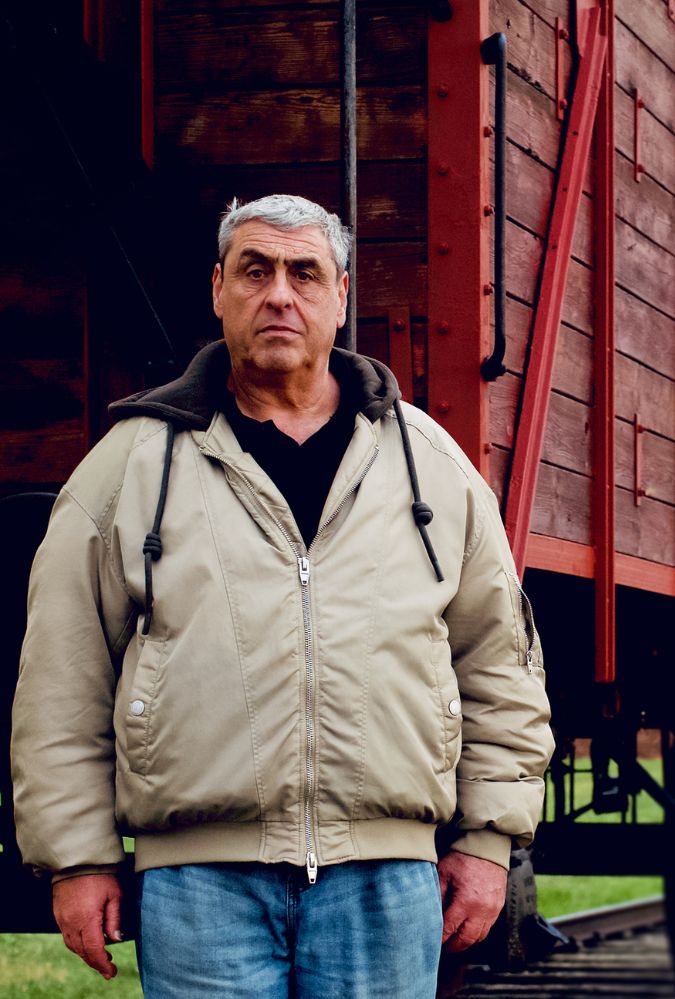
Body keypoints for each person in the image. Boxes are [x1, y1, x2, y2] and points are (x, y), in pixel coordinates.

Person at [12, 194, 553, 998]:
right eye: (254, 270)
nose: (278, 294)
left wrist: (485, 841)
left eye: (304, 273)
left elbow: (500, 668)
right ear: (217, 290)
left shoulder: (429, 465)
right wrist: (79, 857)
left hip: (383, 878)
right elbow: (62, 679)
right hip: (199, 883)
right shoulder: (129, 466)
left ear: (340, 295)